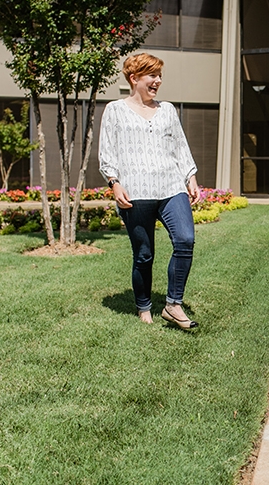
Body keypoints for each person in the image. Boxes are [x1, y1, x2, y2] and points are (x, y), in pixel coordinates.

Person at [99, 52, 201, 330]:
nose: (157, 81)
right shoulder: (115, 110)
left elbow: (180, 146)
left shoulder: (167, 110)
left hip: (170, 187)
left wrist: (190, 176)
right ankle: (144, 307)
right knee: (144, 254)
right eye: (152, 76)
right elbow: (107, 151)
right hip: (135, 192)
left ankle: (173, 304)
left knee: (185, 240)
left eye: (159, 76)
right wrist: (114, 182)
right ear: (134, 78)